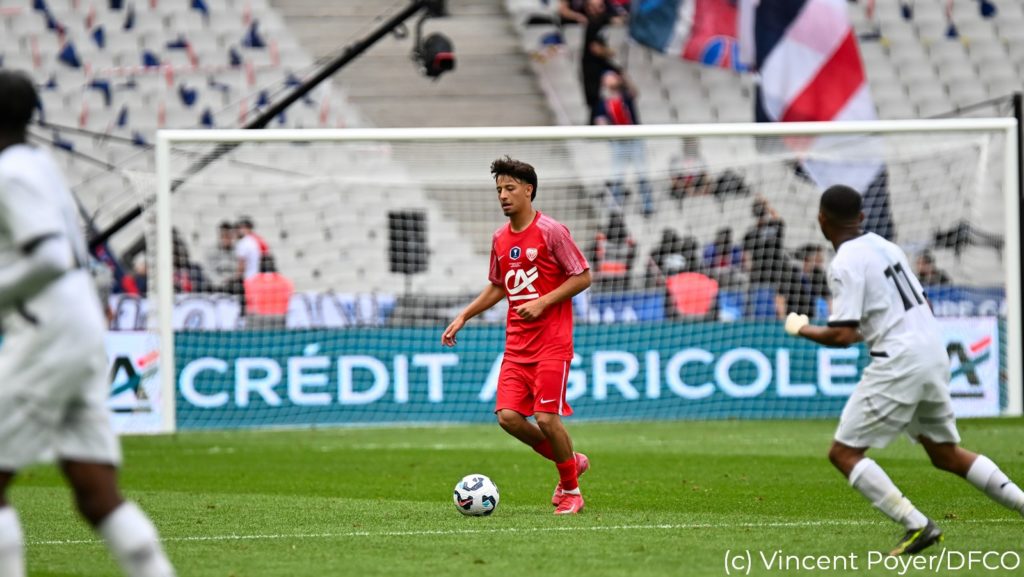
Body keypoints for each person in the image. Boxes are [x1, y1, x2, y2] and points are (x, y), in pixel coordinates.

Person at [783, 184, 1024, 555]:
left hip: (899, 361)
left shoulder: (845, 263)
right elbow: (919, 304)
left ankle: (917, 524)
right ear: (861, 217)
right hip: (932, 350)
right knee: (945, 453)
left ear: (821, 219)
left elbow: (842, 335)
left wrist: (802, 328)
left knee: (843, 453)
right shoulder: (886, 247)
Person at [0, 70, 176, 577]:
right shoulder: (38, 164)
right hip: (78, 324)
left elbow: (50, 255)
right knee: (95, 490)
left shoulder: (10, 173)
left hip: (48, 329)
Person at [442, 156, 592, 515]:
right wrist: (464, 315)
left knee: (546, 418)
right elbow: (499, 285)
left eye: (510, 188)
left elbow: (583, 276)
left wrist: (543, 302)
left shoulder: (552, 231)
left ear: (529, 190)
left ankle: (571, 491)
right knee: (508, 417)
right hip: (516, 345)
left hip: (552, 343)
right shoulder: (500, 238)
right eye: (499, 190)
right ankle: (570, 460)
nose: (503, 196)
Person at [593, 70, 653, 217]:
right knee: (617, 176)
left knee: (642, 174)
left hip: (635, 139)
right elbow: (600, 120)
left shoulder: (626, 96)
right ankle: (615, 207)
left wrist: (624, 77)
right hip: (618, 143)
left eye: (613, 77)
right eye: (608, 78)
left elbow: (634, 92)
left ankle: (647, 205)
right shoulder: (603, 102)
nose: (611, 80)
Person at [581, 0, 620, 124]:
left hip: (601, 68)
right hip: (592, 72)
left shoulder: (600, 24)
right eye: (594, 7)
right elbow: (595, 49)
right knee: (596, 104)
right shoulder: (593, 25)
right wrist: (609, 52)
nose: (598, 10)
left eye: (600, 6)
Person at [244, 254, 294, 330]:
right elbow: (290, 300)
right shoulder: (286, 282)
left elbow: (248, 303)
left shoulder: (251, 282)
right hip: (280, 320)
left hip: (259, 321)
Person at [592, 210, 636, 293]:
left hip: (606, 276)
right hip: (620, 276)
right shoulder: (629, 239)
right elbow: (632, 257)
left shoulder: (601, 238)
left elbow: (594, 256)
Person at [234, 215, 270, 282]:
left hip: (250, 278)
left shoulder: (244, 242)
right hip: (262, 278)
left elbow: (241, 265)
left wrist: (236, 278)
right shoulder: (259, 240)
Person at [205, 221, 238, 292]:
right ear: (219, 236)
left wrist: (230, 280)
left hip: (233, 286)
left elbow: (238, 272)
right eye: (223, 236)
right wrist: (221, 282)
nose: (226, 239)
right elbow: (208, 272)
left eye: (228, 236)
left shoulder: (238, 251)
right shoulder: (211, 251)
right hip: (216, 286)